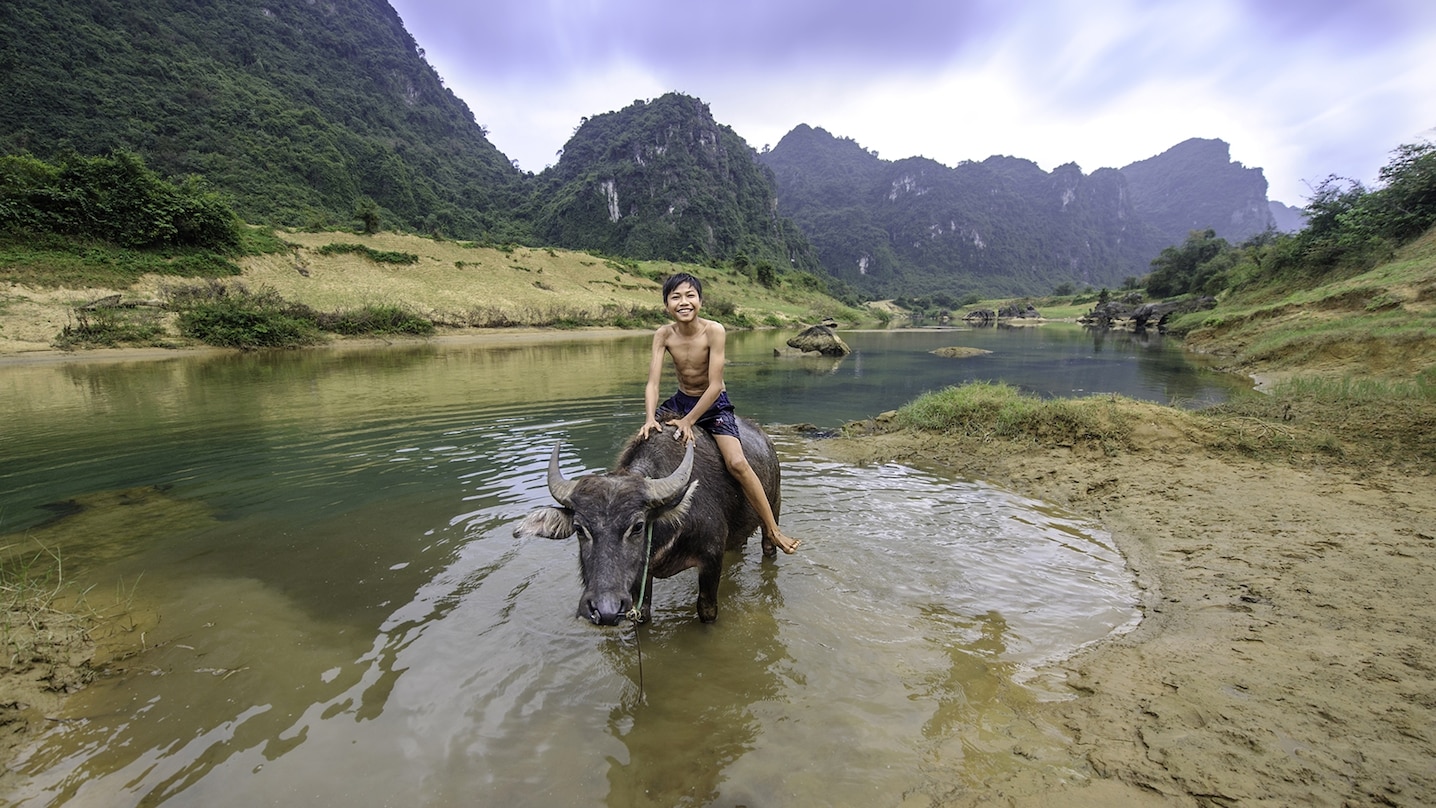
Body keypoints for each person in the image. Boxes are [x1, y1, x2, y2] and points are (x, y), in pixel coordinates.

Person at [639, 273, 801, 555]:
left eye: (690, 295)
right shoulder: (663, 334)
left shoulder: (714, 330)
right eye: (676, 297)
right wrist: (650, 418)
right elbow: (652, 383)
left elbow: (714, 386)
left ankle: (773, 529)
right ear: (666, 305)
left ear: (700, 301)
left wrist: (689, 421)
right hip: (680, 401)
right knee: (644, 449)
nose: (683, 302)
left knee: (737, 462)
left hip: (713, 403)